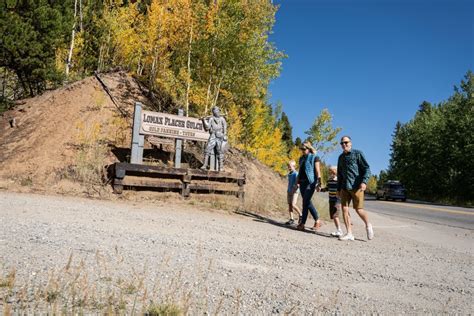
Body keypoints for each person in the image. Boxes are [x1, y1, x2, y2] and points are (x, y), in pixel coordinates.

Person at [337, 136, 374, 241]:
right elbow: (339, 174)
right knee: (344, 208)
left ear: (350, 143)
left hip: (356, 186)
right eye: (342, 143)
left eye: (346, 142)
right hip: (344, 186)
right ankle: (349, 233)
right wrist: (338, 189)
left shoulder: (358, 154)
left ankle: (368, 225)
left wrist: (364, 182)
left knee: (358, 209)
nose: (344, 145)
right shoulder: (340, 158)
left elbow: (366, 168)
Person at [294, 141, 322, 231]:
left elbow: (317, 171)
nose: (302, 150)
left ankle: (302, 224)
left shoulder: (315, 157)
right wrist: (296, 182)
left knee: (305, 202)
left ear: (309, 149)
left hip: (311, 182)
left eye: (304, 149)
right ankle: (317, 220)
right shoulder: (301, 158)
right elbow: (300, 171)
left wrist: (319, 182)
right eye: (301, 149)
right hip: (302, 182)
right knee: (307, 202)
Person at [201, 106, 227, 171]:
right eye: (215, 111)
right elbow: (207, 128)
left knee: (220, 151)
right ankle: (204, 165)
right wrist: (204, 120)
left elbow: (225, 127)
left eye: (217, 111)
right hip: (213, 136)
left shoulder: (222, 119)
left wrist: (224, 135)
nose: (217, 112)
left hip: (220, 136)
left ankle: (221, 167)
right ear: (213, 112)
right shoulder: (211, 119)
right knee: (207, 149)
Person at [323, 166, 343, 237]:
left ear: (337, 172)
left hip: (337, 200)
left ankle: (339, 230)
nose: (332, 173)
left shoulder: (339, 180)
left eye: (333, 172)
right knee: (333, 216)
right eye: (330, 172)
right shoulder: (329, 180)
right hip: (331, 199)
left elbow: (341, 189)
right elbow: (327, 188)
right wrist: (321, 189)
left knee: (335, 215)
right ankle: (338, 230)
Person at [285, 160, 302, 225]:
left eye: (290, 166)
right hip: (289, 191)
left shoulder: (296, 173)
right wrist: (289, 190)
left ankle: (301, 214)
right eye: (288, 166)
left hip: (295, 191)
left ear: (294, 166)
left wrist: (294, 189)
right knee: (289, 205)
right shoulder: (289, 174)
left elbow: (298, 183)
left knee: (293, 204)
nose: (289, 167)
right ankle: (291, 219)